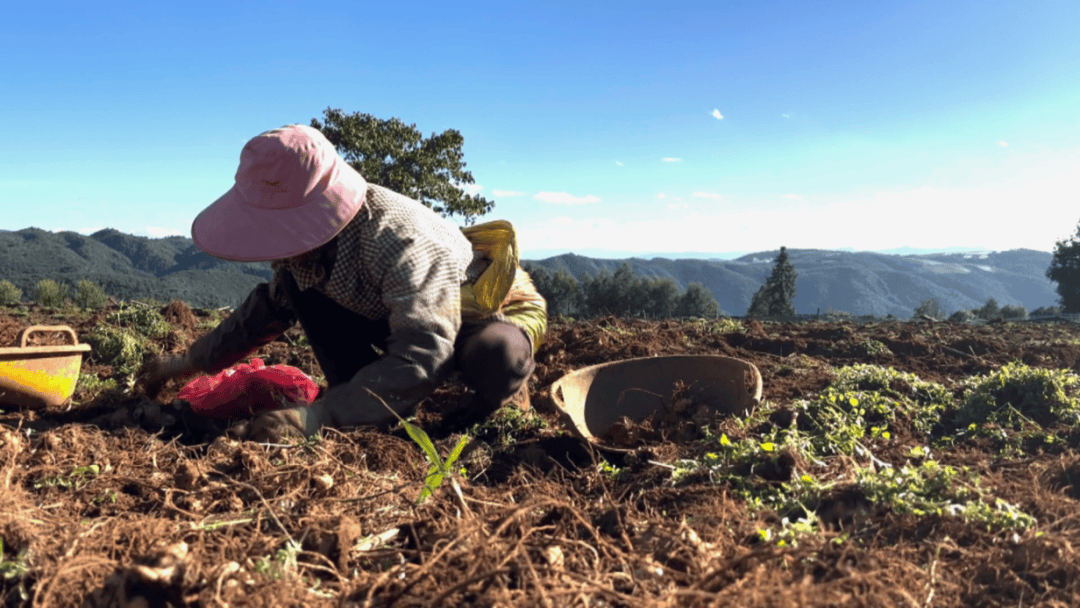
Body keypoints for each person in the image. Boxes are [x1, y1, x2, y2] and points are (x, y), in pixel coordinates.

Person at [136, 124, 547, 442]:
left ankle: (497, 407)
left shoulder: (400, 242)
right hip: (401, 315)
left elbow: (424, 352)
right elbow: (261, 316)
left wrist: (319, 416)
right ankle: (365, 405)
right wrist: (183, 363)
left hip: (480, 309)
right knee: (303, 297)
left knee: (497, 356)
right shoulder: (305, 257)